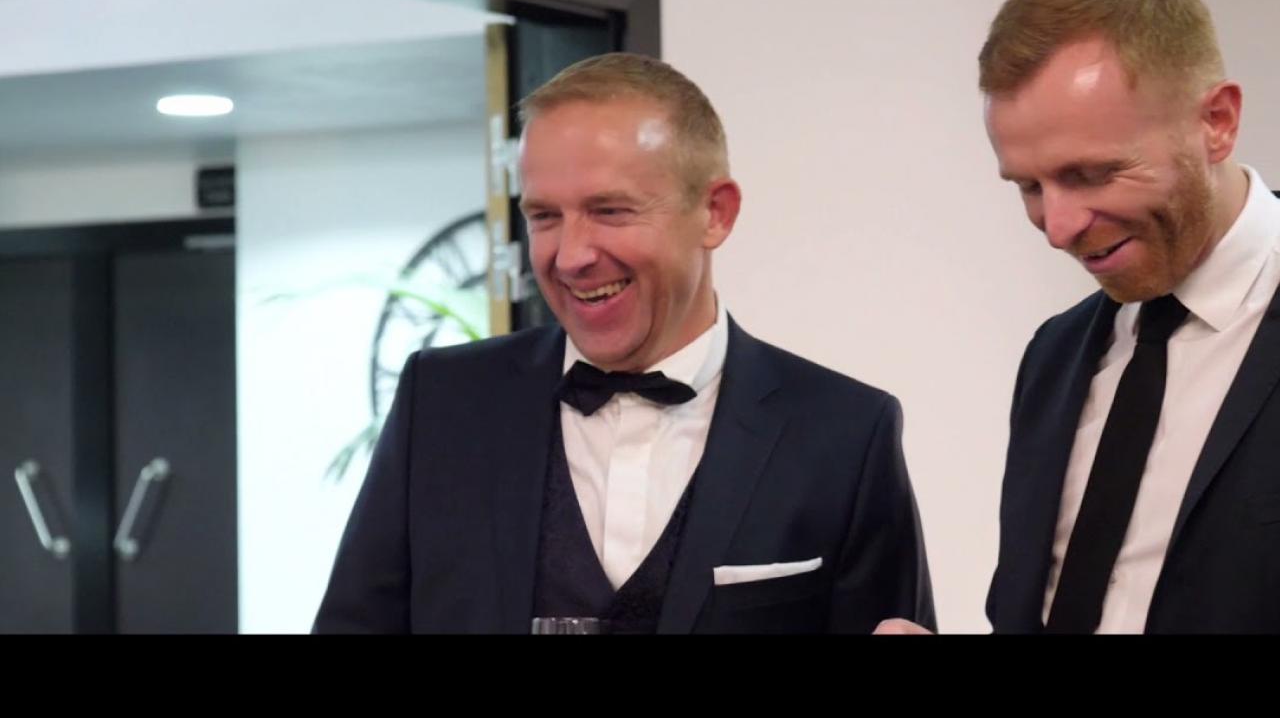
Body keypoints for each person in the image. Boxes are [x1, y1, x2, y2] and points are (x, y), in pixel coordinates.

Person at [314, 52, 934, 633]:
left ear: (715, 212)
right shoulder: (441, 403)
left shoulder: (845, 433)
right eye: (544, 217)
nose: (571, 256)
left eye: (610, 211)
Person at [880, 0, 1280, 635]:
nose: (1058, 228)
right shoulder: (1055, 354)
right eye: (1028, 187)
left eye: (1092, 174)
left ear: (1216, 121)